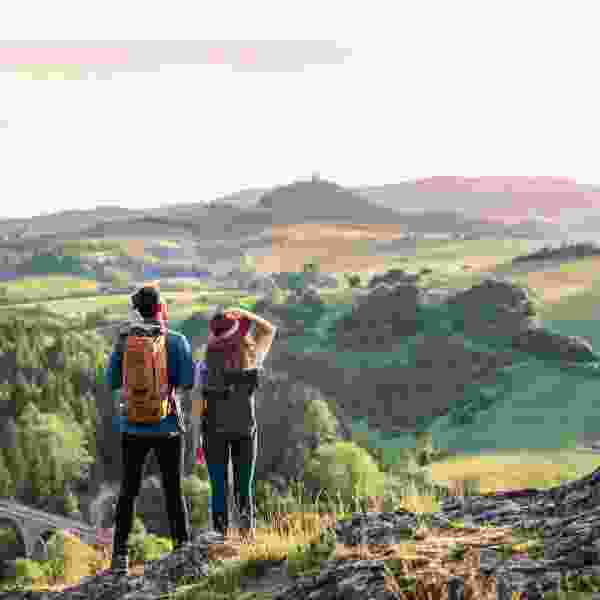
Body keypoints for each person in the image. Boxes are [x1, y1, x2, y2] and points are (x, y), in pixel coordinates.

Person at [105, 285, 194, 575]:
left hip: (132, 426)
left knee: (128, 491)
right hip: (168, 427)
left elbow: (111, 381)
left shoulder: (124, 341)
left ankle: (120, 556)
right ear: (160, 308)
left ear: (138, 311)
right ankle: (181, 549)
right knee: (173, 489)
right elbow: (188, 381)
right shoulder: (176, 340)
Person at [199, 305, 277, 540]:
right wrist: (243, 313)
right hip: (244, 429)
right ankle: (246, 534)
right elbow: (269, 330)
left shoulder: (206, 362)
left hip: (212, 430)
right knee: (243, 485)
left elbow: (199, 403)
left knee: (218, 486)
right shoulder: (251, 357)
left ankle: (219, 535)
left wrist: (198, 439)